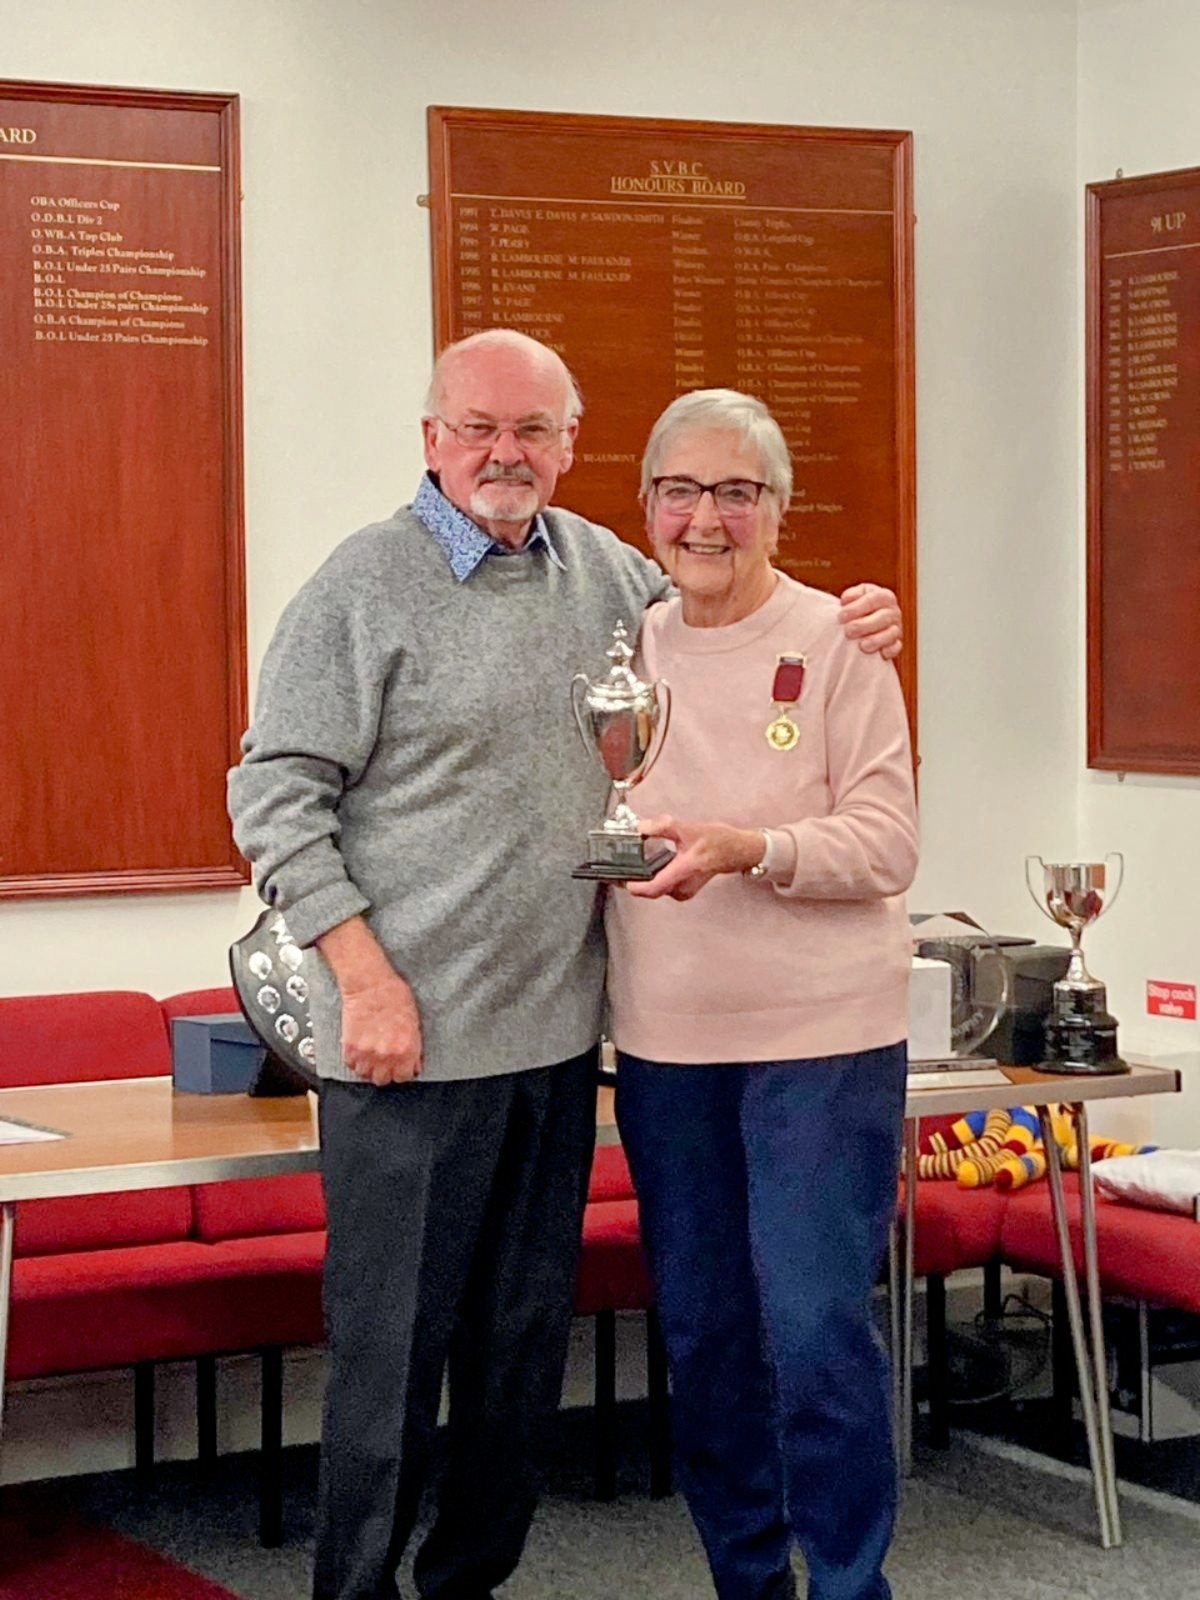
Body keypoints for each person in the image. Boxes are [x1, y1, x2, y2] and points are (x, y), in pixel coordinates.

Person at [226, 330, 903, 1600]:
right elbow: (271, 792)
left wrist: (858, 608)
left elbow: (731, 584)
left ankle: (464, 1587)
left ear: (572, 447)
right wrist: (360, 979)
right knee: (388, 1365)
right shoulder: (361, 585)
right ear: (430, 437)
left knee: (517, 1369)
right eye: (478, 426)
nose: (505, 453)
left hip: (558, 1047)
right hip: (405, 1043)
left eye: (535, 430)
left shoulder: (609, 574)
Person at [604, 389, 919, 1600]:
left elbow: (888, 846)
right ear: (646, 509)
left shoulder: (844, 641)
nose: (707, 518)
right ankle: (748, 1580)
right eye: (681, 490)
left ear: (779, 511)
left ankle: (849, 1586)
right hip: (668, 1048)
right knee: (708, 1341)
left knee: (814, 1334)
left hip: (822, 1046)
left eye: (738, 491)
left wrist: (753, 847)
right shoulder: (623, 652)